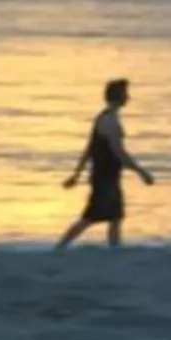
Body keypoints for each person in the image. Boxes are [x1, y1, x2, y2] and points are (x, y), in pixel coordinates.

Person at [58, 76, 154, 250]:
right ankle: (60, 248)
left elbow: (89, 149)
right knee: (91, 217)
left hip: (105, 176)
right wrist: (141, 172)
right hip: (105, 177)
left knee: (114, 216)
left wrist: (77, 175)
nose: (128, 97)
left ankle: (113, 249)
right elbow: (119, 153)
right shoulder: (110, 121)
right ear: (119, 96)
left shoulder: (103, 118)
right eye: (125, 94)